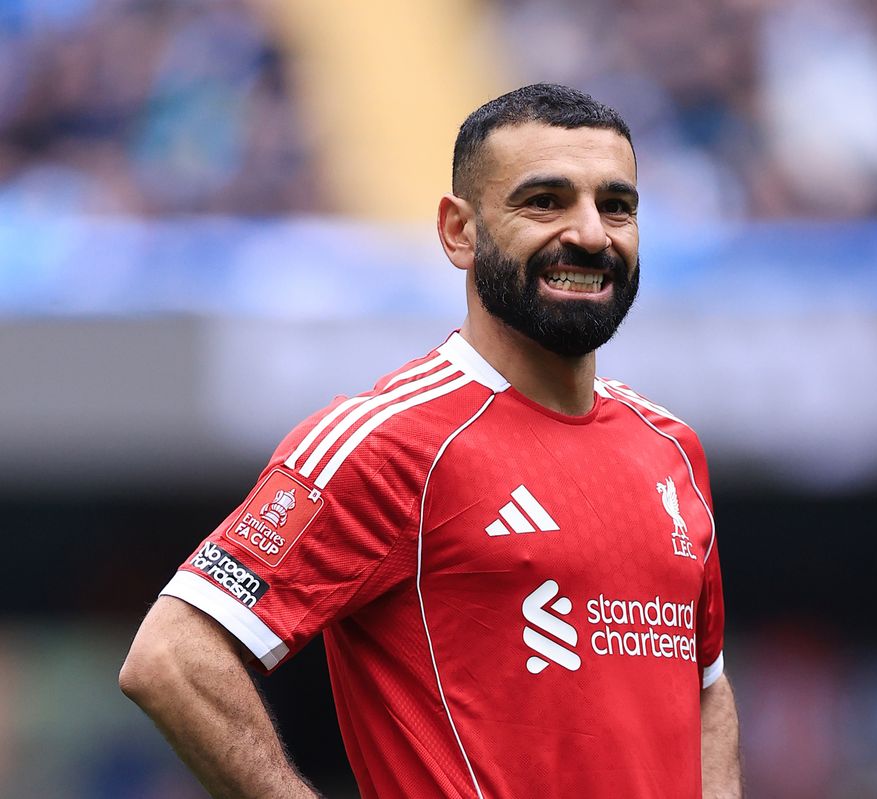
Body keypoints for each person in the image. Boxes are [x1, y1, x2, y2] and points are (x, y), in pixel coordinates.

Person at [120, 83, 741, 799]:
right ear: (459, 231)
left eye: (616, 206)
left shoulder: (671, 447)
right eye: (545, 201)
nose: (591, 234)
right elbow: (172, 657)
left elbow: (708, 687)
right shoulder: (387, 442)